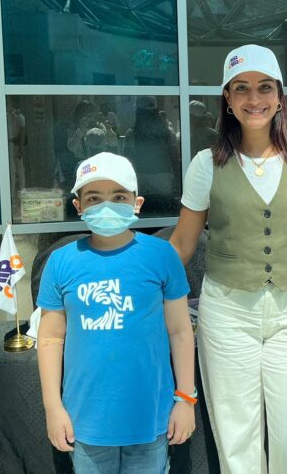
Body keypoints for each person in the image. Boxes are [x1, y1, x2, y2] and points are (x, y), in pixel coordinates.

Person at [169, 44, 287, 473]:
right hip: (228, 312)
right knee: (236, 434)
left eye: (264, 87)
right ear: (227, 97)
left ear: (279, 95)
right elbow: (183, 243)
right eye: (241, 88)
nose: (253, 98)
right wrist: (136, 279)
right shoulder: (206, 164)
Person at [36, 152, 196, 473]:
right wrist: (53, 408)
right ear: (79, 206)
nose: (107, 205)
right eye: (94, 198)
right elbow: (50, 338)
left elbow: (180, 331)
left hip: (151, 417)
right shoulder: (61, 262)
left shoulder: (161, 256)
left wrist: (186, 400)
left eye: (119, 196)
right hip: (86, 421)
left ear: (137, 203)